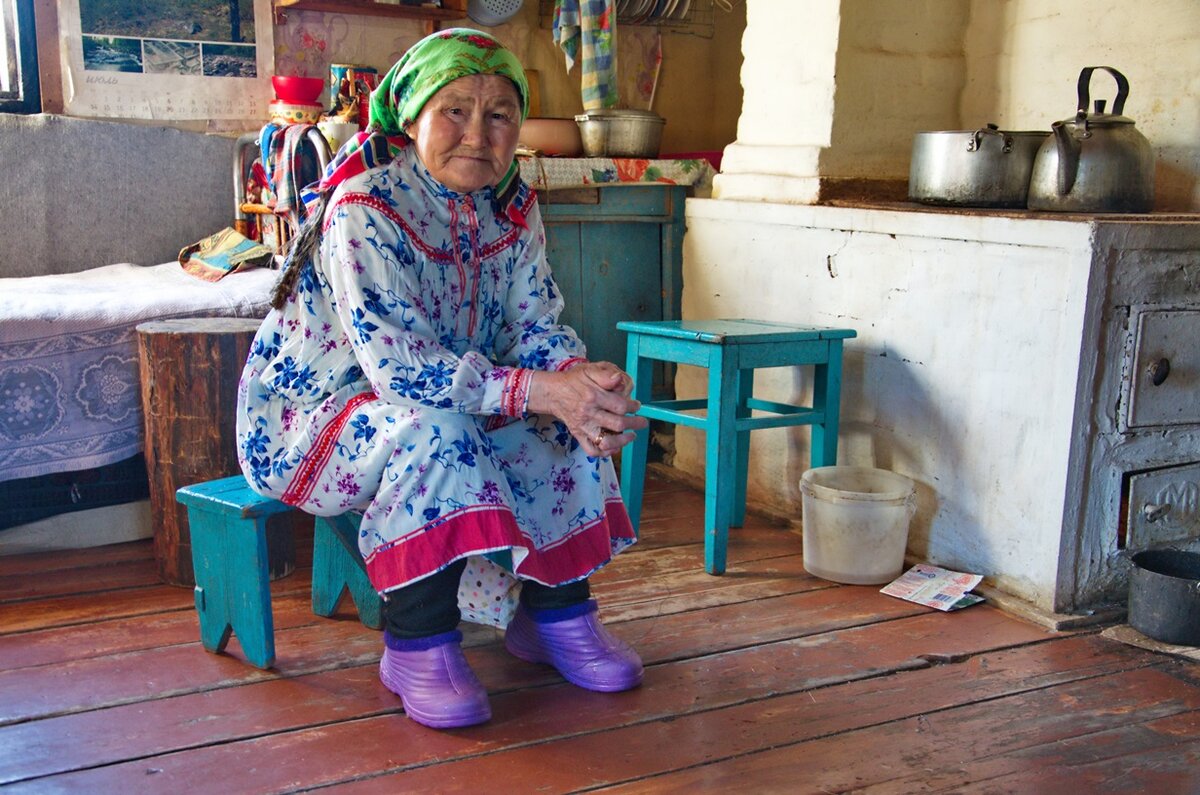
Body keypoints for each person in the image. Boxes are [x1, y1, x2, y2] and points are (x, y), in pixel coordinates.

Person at [236, 28, 649, 730]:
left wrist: (578, 378)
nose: (478, 133)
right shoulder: (364, 209)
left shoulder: (513, 210)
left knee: (563, 415)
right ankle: (417, 644)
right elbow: (397, 369)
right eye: (455, 109)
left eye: (499, 114)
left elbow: (534, 325)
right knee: (441, 431)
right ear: (413, 117)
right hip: (316, 416)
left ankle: (553, 614)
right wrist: (538, 387)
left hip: (454, 390)